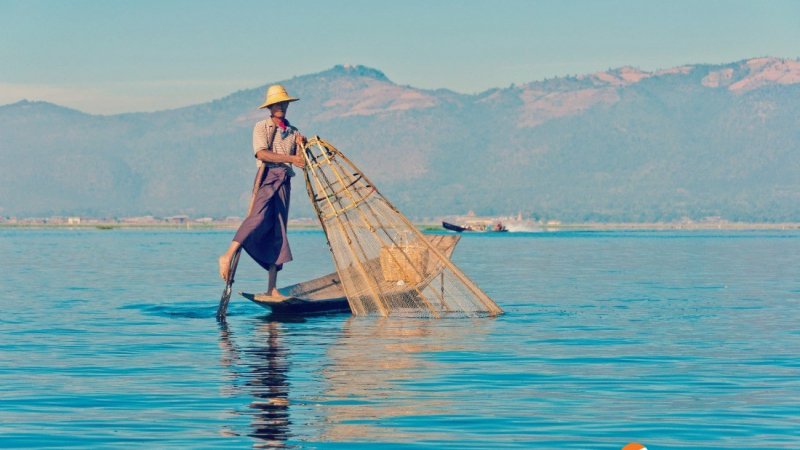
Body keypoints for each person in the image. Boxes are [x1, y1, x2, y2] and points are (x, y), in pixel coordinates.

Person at [218, 85, 306, 297]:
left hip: (284, 180)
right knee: (256, 218)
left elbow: (299, 160)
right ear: (270, 107)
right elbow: (262, 154)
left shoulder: (293, 131)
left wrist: (301, 146)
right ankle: (227, 255)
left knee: (279, 230)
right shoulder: (262, 127)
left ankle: (271, 288)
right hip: (267, 177)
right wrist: (291, 158)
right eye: (277, 104)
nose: (281, 106)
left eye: (284, 103)